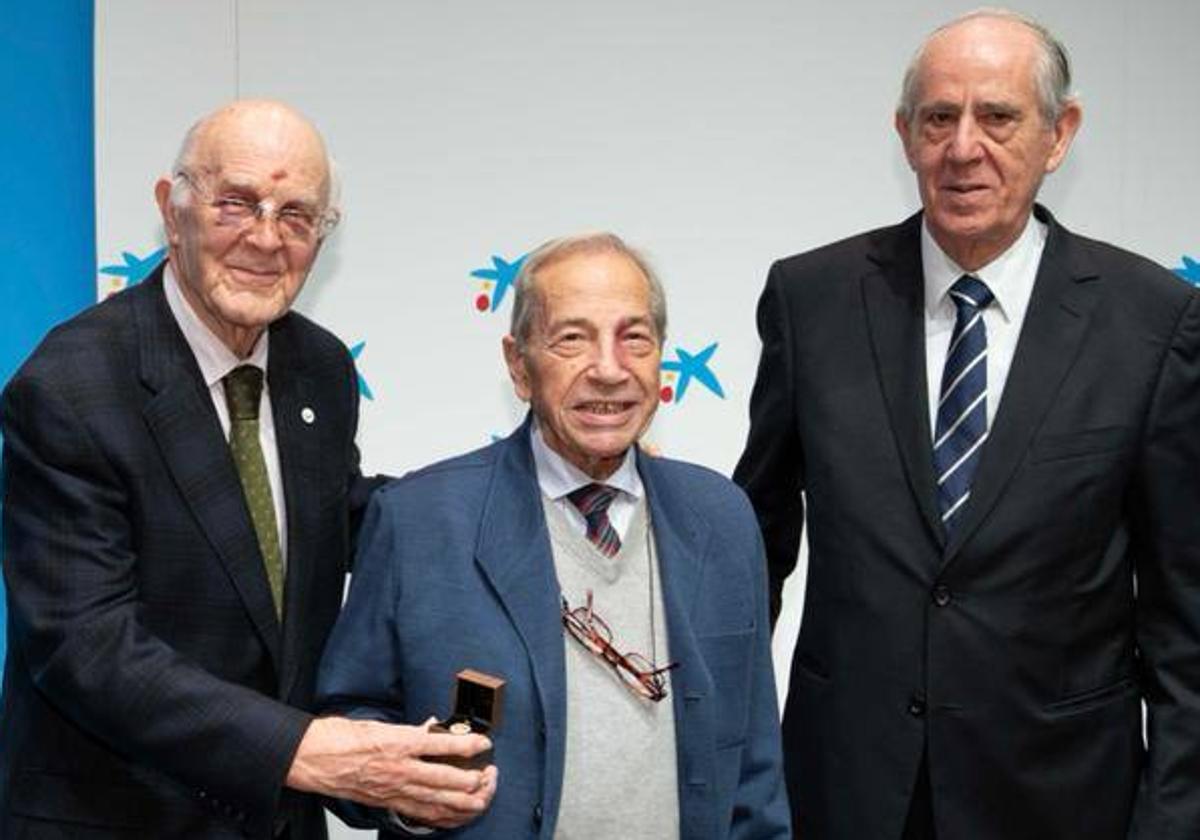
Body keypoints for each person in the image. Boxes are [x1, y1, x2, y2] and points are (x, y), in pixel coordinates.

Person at [734, 9, 1200, 840]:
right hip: (847, 793)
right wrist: (724, 764)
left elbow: (1184, 622)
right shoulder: (813, 300)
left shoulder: (1154, 323)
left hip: (1063, 801)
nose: (963, 148)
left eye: (998, 117)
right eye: (939, 118)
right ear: (905, 134)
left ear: (1060, 135)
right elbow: (755, 554)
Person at [0, 100, 494, 839]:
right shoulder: (72, 386)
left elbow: (339, 517)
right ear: (173, 211)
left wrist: (518, 497)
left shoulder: (318, 367)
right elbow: (86, 645)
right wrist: (299, 750)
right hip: (114, 818)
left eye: (297, 215)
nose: (266, 238)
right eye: (236, 203)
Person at [316, 232, 790, 838]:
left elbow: (754, 769)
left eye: (634, 338)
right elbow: (348, 716)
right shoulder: (419, 519)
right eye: (572, 338)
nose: (609, 369)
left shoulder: (721, 517)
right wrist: (409, 792)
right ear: (519, 365)